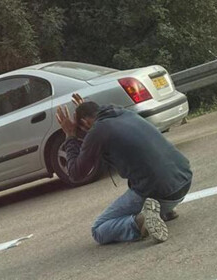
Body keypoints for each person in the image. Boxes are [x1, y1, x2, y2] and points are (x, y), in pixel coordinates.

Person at [55, 94, 193, 245]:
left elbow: (75, 173)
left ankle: (141, 221)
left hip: (161, 193)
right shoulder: (125, 113)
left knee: (99, 229)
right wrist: (83, 110)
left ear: (84, 122)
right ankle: (164, 212)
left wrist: (70, 135)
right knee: (144, 175)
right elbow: (93, 121)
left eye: (81, 127)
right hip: (184, 180)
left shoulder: (98, 130)